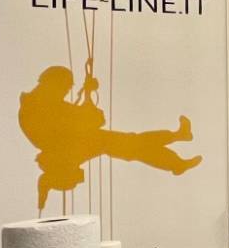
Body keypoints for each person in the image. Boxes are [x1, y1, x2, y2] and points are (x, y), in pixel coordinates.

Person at [18, 64, 200, 212]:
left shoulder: (39, 105)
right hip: (74, 149)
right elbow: (91, 119)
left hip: (79, 146)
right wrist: (87, 96)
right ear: (51, 83)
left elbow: (83, 119)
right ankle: (177, 148)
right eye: (65, 89)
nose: (65, 93)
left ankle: (177, 152)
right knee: (134, 145)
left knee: (134, 146)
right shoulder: (39, 108)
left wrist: (87, 95)